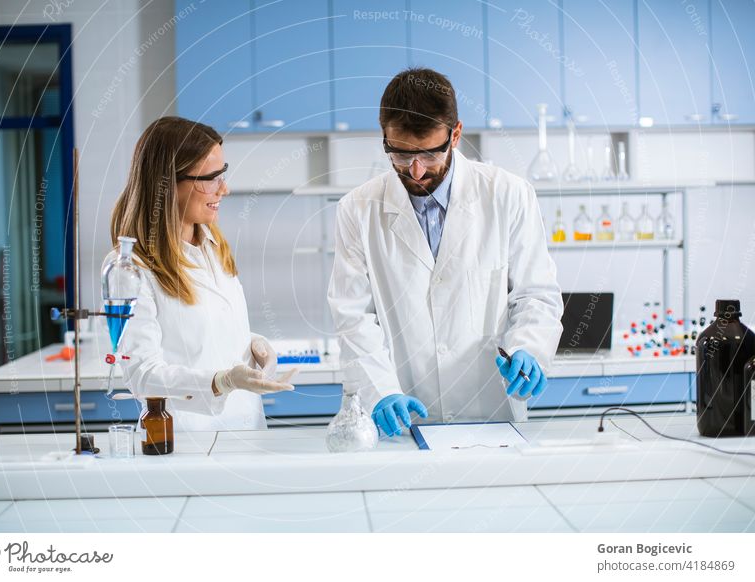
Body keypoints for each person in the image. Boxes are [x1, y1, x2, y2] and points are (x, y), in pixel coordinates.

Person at [328, 68, 564, 437]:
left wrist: (530, 347)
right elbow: (353, 316)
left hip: (490, 412)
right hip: (403, 413)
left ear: (455, 134)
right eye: (401, 155)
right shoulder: (358, 209)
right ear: (385, 138)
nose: (417, 170)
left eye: (429, 154)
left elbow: (535, 293)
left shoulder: (508, 194)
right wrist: (381, 391)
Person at [108, 116, 294, 431]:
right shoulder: (130, 268)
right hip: (184, 439)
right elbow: (142, 375)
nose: (225, 189)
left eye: (223, 174)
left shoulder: (212, 246)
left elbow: (203, 335)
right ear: (167, 184)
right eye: (210, 178)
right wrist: (221, 381)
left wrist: (253, 345)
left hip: (247, 431)